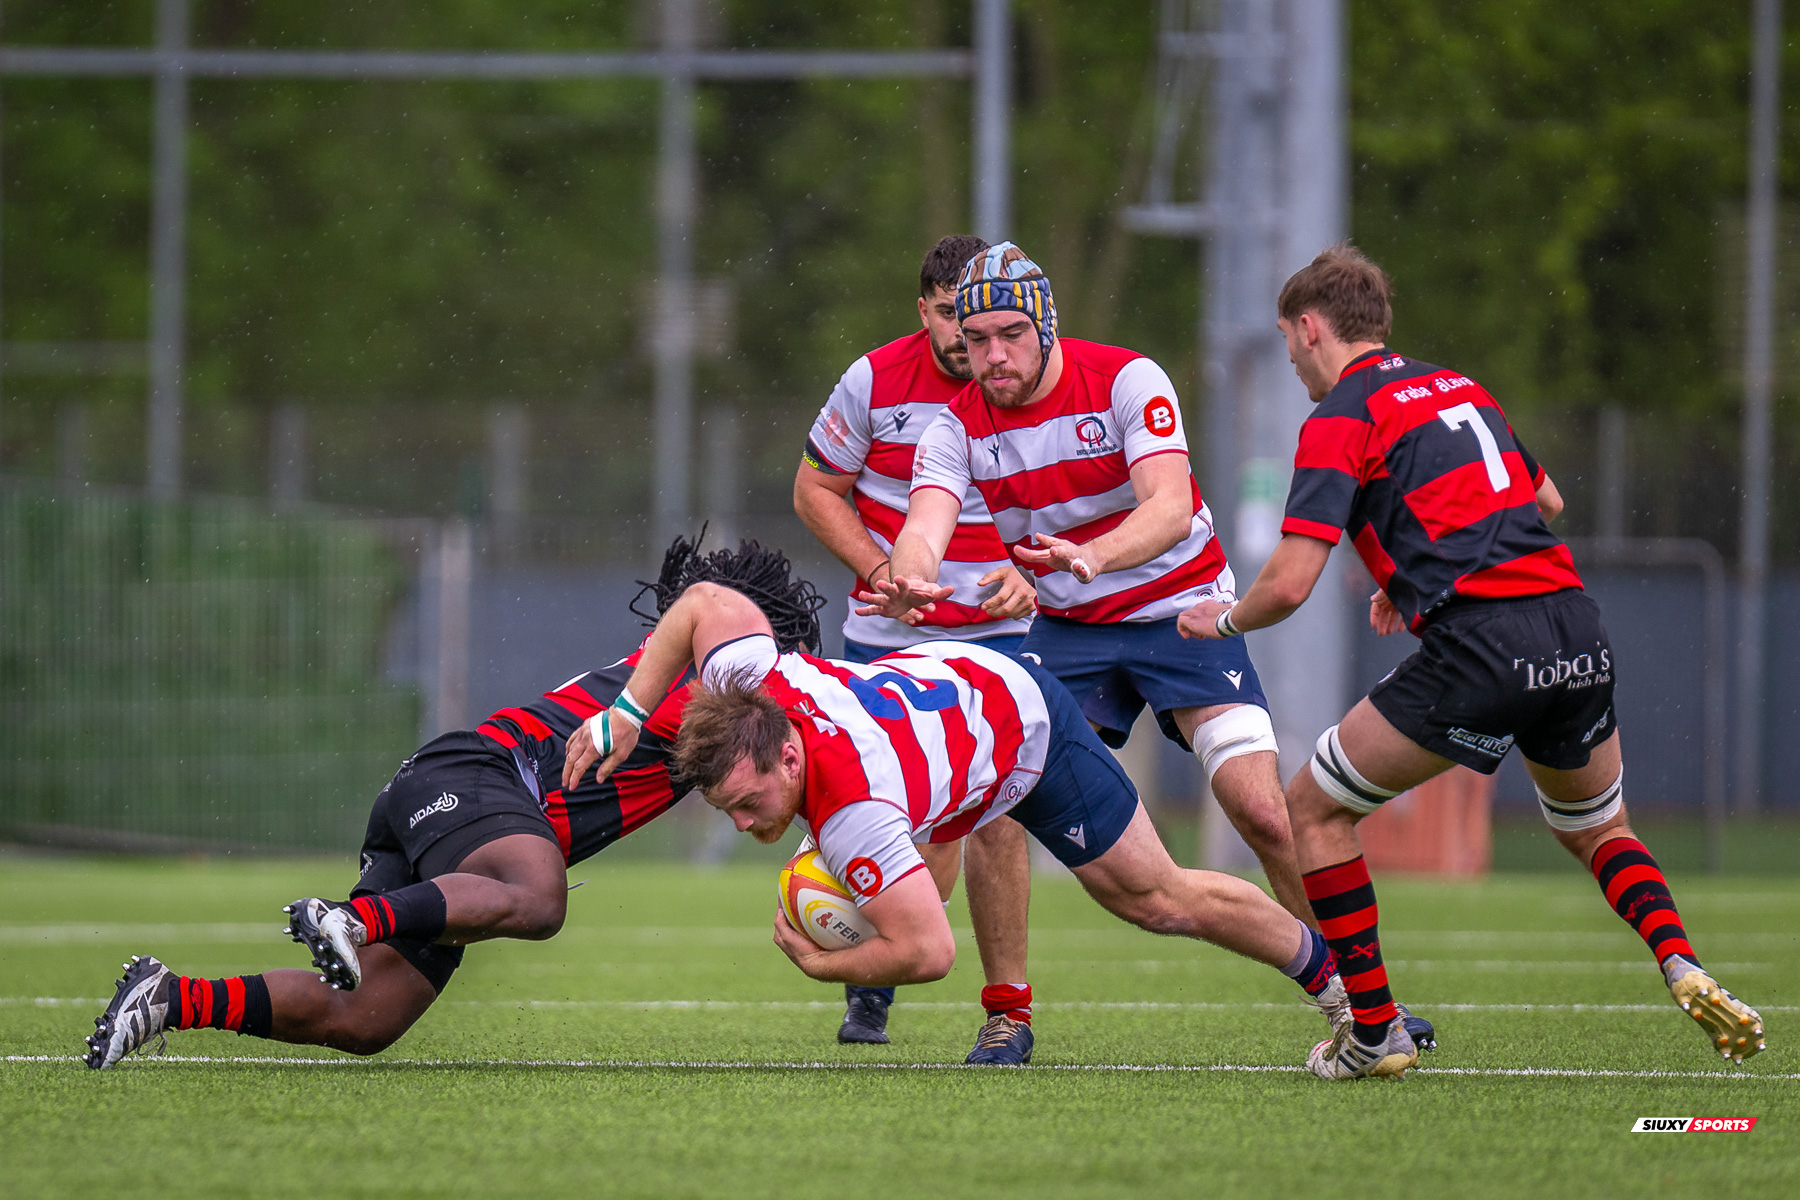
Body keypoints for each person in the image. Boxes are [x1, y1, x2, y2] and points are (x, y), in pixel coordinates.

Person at [1178, 242, 1766, 1080]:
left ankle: (1373, 1033)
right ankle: (1680, 960)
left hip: (1484, 643)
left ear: (1309, 328)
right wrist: (1415, 576)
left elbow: (1292, 582)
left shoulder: (1341, 414)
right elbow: (1544, 499)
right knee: (1602, 828)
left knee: (1312, 812)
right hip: (1575, 630)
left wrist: (1223, 620)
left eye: (1286, 342)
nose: (1292, 362)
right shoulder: (1460, 388)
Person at [857, 242, 1433, 1046]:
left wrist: (1092, 557)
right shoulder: (954, 428)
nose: (993, 356)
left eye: (1011, 335)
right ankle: (1006, 1015)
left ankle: (1368, 1004)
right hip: (1070, 635)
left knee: (1264, 814)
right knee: (997, 802)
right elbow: (925, 527)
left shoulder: (1129, 379)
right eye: (976, 339)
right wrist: (909, 577)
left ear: (1046, 328)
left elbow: (1167, 506)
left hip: (1184, 614)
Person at [83, 538, 827, 1070]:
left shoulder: (721, 723)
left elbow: (784, 784)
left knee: (364, 1019)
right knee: (540, 897)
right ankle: (352, 920)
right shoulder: (715, 677)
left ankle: (171, 999)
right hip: (477, 774)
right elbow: (710, 608)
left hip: (455, 815)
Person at [564, 581, 1356, 1060]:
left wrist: (821, 966)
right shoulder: (750, 679)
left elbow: (928, 951)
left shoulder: (855, 814)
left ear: (791, 757)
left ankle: (1347, 990)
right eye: (728, 811)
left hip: (1025, 728)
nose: (742, 826)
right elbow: (704, 602)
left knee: (1154, 898)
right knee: (949, 835)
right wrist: (627, 712)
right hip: (954, 703)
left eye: (747, 802)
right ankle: (1010, 1013)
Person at [793, 234, 1039, 1058]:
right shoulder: (873, 380)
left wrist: (1037, 577)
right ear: (923, 309)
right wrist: (878, 570)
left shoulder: (1026, 380)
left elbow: (1076, 498)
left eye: (981, 319)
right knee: (871, 809)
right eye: (947, 315)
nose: (965, 336)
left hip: (998, 638)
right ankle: (874, 980)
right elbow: (814, 488)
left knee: (996, 816)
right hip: (884, 639)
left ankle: (1007, 1013)